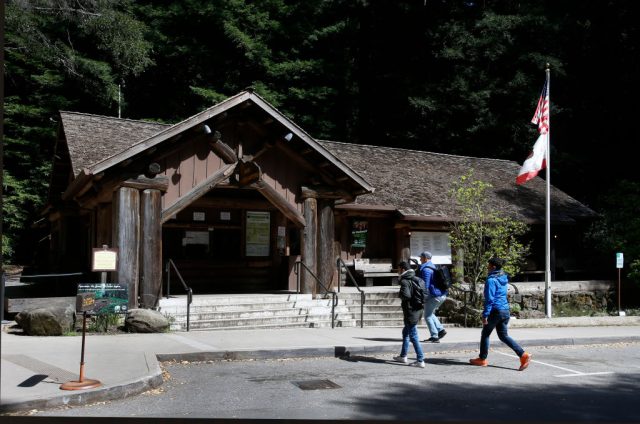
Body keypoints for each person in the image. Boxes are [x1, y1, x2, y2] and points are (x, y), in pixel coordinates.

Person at [469, 257, 532, 371]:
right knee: (503, 335)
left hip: (495, 311)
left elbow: (489, 299)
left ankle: (482, 359)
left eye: (488, 265)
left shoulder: (491, 280)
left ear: (493, 267)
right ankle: (523, 355)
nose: (487, 267)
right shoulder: (503, 277)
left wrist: (485, 315)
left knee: (485, 334)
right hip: (505, 310)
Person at [393, 261, 426, 368]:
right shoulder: (415, 278)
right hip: (418, 309)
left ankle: (420, 360)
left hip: (410, 311)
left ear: (402, 269)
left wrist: (400, 294)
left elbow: (406, 296)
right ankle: (403, 356)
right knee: (406, 332)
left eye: (398, 269)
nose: (398, 271)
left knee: (413, 336)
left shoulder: (404, 281)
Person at [417, 251, 447, 343]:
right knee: (430, 313)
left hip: (434, 295)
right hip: (440, 294)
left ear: (425, 258)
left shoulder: (426, 269)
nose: (420, 259)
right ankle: (441, 330)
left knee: (427, 316)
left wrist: (422, 297)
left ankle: (434, 336)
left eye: (421, 257)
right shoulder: (432, 266)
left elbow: (425, 285)